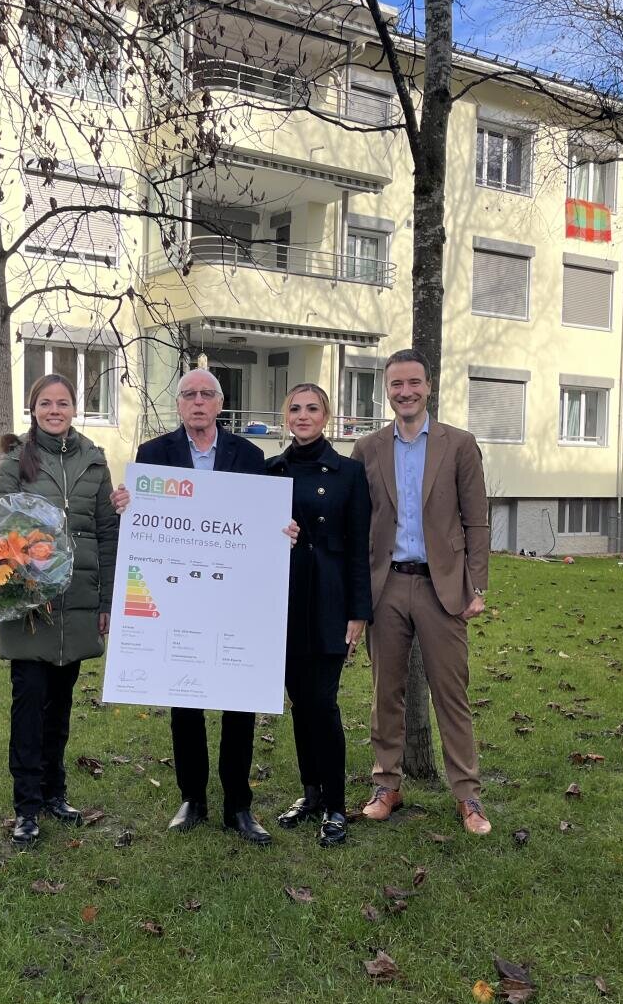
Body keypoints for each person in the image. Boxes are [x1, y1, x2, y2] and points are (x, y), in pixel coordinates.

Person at [123, 368, 275, 844]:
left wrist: (281, 530)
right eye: (188, 394)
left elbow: (262, 520)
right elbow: (144, 520)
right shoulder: (153, 455)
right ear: (179, 404)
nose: (197, 402)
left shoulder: (250, 456)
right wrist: (126, 503)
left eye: (207, 394)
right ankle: (192, 798)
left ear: (220, 403)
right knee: (184, 697)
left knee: (238, 699)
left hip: (234, 596)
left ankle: (238, 805)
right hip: (178, 596)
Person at [351, 349, 493, 836]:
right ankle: (386, 784)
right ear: (386, 390)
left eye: (413, 383)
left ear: (428, 386)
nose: (405, 392)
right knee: (384, 693)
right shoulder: (368, 449)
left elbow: (477, 519)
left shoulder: (459, 444)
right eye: (396, 385)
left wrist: (477, 584)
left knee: (451, 694)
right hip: (386, 584)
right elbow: (355, 521)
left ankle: (467, 795)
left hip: (443, 586)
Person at [0, 374, 119, 847]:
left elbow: (107, 534)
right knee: (29, 706)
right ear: (33, 409)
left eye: (63, 403)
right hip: (30, 606)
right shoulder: (14, 461)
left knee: (60, 706)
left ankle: (54, 792)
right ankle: (26, 806)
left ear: (73, 409)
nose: (55, 410)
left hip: (79, 602)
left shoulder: (94, 460)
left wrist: (106, 601)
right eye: (46, 403)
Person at [264, 384, 371, 846]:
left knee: (322, 704)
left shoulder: (349, 473)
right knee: (299, 704)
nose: (302, 416)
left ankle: (334, 805)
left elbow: (358, 547)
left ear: (326, 416)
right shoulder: (270, 471)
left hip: (329, 599)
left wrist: (358, 611)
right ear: (285, 415)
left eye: (312, 408)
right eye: (295, 408)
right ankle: (309, 794)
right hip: (281, 601)